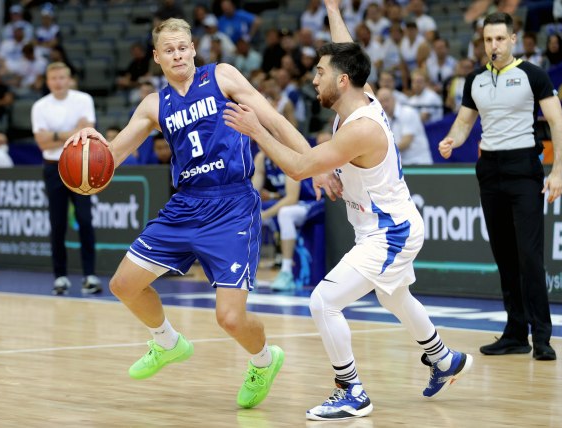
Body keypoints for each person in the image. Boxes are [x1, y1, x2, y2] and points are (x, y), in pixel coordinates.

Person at [222, 0, 473, 420]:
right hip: (385, 225)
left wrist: (256, 129)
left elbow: (299, 167)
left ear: (341, 80)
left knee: (323, 301)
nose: (313, 79)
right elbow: (347, 50)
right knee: (394, 295)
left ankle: (351, 390)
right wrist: (333, 9)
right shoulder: (360, 95)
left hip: (389, 232)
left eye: (319, 73)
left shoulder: (361, 128)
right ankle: (444, 359)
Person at [63, 17, 320, 409]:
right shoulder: (155, 104)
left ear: (194, 49)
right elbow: (109, 161)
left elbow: (274, 121)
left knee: (229, 318)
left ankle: (263, 361)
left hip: (232, 204)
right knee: (123, 285)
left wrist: (315, 162)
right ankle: (167, 342)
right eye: (169, 50)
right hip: (186, 204)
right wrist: (90, 145)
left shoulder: (222, 76)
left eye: (183, 47)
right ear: (157, 57)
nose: (178, 54)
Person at [438, 12, 562, 361]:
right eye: (487, 39)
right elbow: (464, 124)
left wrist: (557, 172)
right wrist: (451, 140)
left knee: (530, 256)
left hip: (524, 168)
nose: (493, 45)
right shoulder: (475, 79)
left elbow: (556, 123)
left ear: (512, 39)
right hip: (490, 170)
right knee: (505, 256)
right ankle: (515, 333)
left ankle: (542, 336)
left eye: (499, 38)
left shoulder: (532, 75)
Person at [31, 62, 103, 296]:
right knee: (57, 223)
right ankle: (60, 277)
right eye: (54, 78)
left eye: (62, 77)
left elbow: (87, 133)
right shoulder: (40, 106)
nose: (58, 82)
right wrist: (73, 132)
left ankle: (90, 276)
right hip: (53, 167)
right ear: (47, 81)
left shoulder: (83, 99)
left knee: (85, 219)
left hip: (79, 165)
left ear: (70, 79)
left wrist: (54, 135)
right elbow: (42, 143)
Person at [251, 148, 324, 291]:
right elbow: (252, 193)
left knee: (285, 213)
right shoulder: (262, 158)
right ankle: (249, 272)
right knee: (249, 215)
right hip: (293, 203)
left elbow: (291, 198)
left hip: (314, 200)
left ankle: (286, 272)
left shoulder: (286, 154)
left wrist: (265, 215)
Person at [377, 88, 433, 165]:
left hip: (419, 163)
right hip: (402, 164)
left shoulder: (408, 113)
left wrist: (383, 152)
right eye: (381, 101)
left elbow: (406, 142)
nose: (384, 104)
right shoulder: (385, 118)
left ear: (394, 99)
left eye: (386, 100)